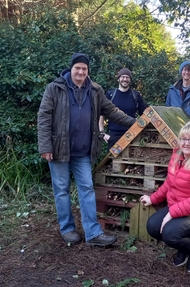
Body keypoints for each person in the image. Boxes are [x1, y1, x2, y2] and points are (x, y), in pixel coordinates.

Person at [38, 53, 135, 246]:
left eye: (84, 69)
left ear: (88, 71)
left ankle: (93, 234)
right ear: (71, 69)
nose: (81, 72)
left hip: (82, 151)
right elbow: (44, 117)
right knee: (62, 190)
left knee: (87, 189)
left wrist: (137, 123)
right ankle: (67, 229)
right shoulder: (55, 88)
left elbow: (112, 111)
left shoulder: (95, 90)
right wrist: (45, 146)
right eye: (77, 68)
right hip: (58, 150)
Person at [140, 121, 190, 273]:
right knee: (153, 226)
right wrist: (153, 199)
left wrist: (171, 213)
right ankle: (183, 247)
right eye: (183, 139)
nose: (186, 143)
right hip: (179, 208)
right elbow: (169, 183)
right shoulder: (177, 157)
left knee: (170, 233)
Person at [99, 68, 147, 150]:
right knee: (112, 162)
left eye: (127, 77)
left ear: (130, 80)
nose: (125, 79)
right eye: (122, 77)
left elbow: (145, 114)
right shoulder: (110, 94)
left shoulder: (136, 95)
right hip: (114, 136)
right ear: (118, 79)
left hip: (132, 134)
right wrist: (102, 132)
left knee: (130, 161)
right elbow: (101, 114)